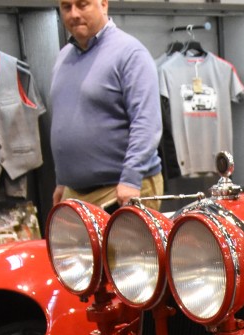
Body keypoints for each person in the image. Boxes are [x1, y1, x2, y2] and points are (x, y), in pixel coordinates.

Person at [50, 0, 163, 210]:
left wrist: (131, 179)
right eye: (66, 7)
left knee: (128, 245)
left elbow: (146, 123)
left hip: (122, 189)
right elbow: (64, 121)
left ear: (103, 4)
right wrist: (62, 181)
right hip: (76, 194)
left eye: (82, 5)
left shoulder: (130, 53)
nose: (74, 14)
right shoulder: (63, 57)